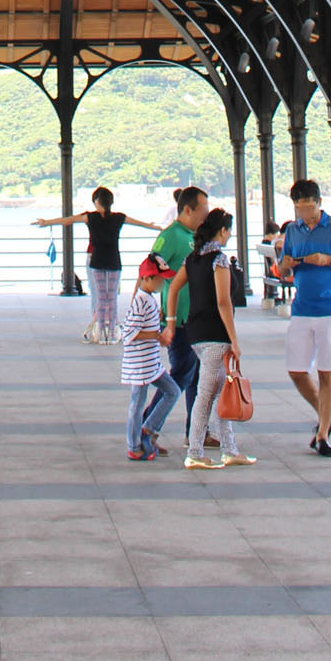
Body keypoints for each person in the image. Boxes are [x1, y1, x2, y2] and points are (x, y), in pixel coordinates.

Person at [163, 207, 256, 470]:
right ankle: (194, 451)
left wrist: (171, 322)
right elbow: (224, 302)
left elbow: (173, 289)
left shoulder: (192, 259)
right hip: (216, 334)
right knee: (206, 394)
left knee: (218, 391)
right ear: (223, 231)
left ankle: (229, 449)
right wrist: (234, 341)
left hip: (195, 334)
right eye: (228, 231)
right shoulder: (219, 260)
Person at [276, 178, 331, 456]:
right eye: (300, 209)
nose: (305, 214)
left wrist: (330, 260)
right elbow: (284, 270)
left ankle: (323, 434)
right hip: (302, 307)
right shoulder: (293, 230)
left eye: (309, 208)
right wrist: (285, 265)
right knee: (297, 371)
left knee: (327, 370)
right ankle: (326, 412)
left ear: (319, 204)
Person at [33, 186, 161, 342]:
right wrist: (154, 226)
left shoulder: (90, 217)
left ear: (97, 202)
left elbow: (69, 220)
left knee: (101, 297)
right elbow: (138, 223)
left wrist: (46, 222)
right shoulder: (118, 217)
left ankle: (101, 332)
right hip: (114, 260)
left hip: (97, 260)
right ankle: (112, 332)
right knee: (112, 297)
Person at [152, 185, 209, 442]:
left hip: (198, 320)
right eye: (203, 211)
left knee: (197, 378)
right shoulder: (171, 236)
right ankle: (148, 426)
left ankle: (196, 432)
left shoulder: (196, 236)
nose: (205, 216)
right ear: (187, 209)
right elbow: (151, 269)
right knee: (181, 375)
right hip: (179, 320)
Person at [120, 254, 181, 460]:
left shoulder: (148, 299)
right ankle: (134, 444)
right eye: (159, 279)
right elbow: (129, 333)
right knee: (137, 403)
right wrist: (157, 335)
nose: (163, 283)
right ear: (147, 279)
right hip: (140, 365)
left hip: (150, 363)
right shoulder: (141, 301)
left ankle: (148, 429)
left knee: (172, 391)